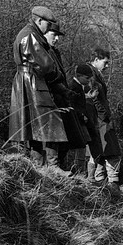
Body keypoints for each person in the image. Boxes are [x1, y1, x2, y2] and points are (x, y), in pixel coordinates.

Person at [6, 5, 69, 166]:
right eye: (48, 24)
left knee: (34, 127)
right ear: (39, 21)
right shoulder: (31, 36)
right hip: (33, 82)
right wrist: (58, 75)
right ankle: (52, 168)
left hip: (26, 81)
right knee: (50, 123)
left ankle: (39, 166)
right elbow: (45, 65)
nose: (49, 28)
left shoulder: (27, 34)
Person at [43, 21, 90, 171]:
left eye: (58, 36)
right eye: (53, 35)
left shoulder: (54, 51)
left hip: (61, 97)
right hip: (50, 97)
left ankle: (59, 166)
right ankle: (53, 166)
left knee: (67, 136)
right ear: (44, 33)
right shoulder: (42, 51)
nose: (56, 39)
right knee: (53, 134)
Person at [87, 47, 122, 194]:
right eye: (105, 62)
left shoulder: (95, 74)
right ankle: (108, 183)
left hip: (99, 119)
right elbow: (94, 98)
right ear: (96, 60)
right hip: (99, 119)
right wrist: (104, 116)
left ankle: (97, 181)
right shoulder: (91, 74)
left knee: (100, 151)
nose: (107, 66)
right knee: (111, 151)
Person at [67, 64, 103, 179]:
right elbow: (71, 104)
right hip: (77, 121)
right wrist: (81, 115)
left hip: (81, 120)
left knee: (85, 144)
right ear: (79, 76)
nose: (88, 81)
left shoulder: (79, 86)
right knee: (81, 144)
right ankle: (78, 171)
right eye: (87, 78)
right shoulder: (73, 86)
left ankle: (80, 171)